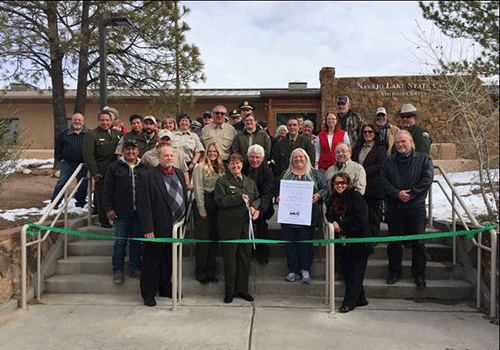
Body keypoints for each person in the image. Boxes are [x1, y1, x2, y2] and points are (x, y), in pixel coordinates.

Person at [380, 130, 433, 289]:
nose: (401, 145)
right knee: (394, 243)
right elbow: (383, 180)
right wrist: (397, 193)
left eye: (403, 141)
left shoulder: (424, 159)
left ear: (411, 142)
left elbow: (427, 179)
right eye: (397, 143)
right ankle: (394, 272)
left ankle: (419, 274)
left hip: (415, 207)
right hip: (395, 207)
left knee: (418, 243)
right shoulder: (389, 161)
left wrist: (411, 194)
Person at [137, 145, 188, 307]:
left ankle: (165, 288)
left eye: (171, 155)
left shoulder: (179, 173)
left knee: (168, 261)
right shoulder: (148, 176)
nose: (169, 158)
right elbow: (143, 204)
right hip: (156, 227)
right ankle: (149, 294)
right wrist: (148, 229)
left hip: (174, 227)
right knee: (152, 262)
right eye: (166, 155)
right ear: (159, 158)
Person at [214, 153, 260, 304]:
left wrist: (254, 207)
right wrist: (238, 198)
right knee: (230, 258)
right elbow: (220, 201)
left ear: (242, 165)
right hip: (229, 224)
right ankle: (230, 291)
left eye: (238, 163)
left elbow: (257, 197)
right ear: (228, 166)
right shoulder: (222, 182)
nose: (235, 166)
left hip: (245, 225)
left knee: (245, 257)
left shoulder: (249, 181)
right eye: (232, 164)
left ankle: (243, 289)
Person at [102, 139, 149, 284]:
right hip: (121, 213)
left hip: (139, 213)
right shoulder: (114, 167)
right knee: (120, 243)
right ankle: (118, 271)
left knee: (136, 243)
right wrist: (109, 208)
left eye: (133, 149)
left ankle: (135, 269)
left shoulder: (145, 168)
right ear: (123, 151)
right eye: (128, 149)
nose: (131, 152)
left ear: (138, 151)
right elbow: (107, 190)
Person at [280, 148, 329, 284]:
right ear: (291, 160)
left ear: (306, 158)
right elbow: (279, 190)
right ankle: (293, 270)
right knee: (290, 245)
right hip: (289, 218)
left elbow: (325, 188)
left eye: (301, 157)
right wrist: (279, 198)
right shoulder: (286, 174)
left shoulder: (314, 173)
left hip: (307, 217)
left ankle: (305, 270)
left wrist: (318, 195)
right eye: (295, 157)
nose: (298, 159)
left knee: (305, 244)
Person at [325, 172, 371, 313]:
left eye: (342, 183)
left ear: (348, 183)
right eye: (337, 183)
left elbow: (360, 218)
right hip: (343, 242)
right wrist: (334, 221)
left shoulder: (356, 197)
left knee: (355, 273)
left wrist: (341, 224)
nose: (339, 186)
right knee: (347, 271)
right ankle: (360, 298)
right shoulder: (333, 198)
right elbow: (329, 214)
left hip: (359, 241)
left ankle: (349, 302)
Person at [192, 142, 225, 284]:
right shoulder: (200, 167)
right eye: (210, 151)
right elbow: (198, 188)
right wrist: (201, 209)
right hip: (203, 202)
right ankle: (200, 272)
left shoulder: (221, 169)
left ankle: (211, 270)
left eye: (215, 151)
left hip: (216, 205)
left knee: (214, 240)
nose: (212, 154)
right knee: (203, 241)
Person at [83, 110, 121, 228]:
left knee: (116, 194)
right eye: (102, 120)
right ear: (98, 121)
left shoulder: (116, 134)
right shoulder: (92, 135)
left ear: (111, 121)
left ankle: (116, 218)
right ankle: (103, 220)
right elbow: (88, 155)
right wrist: (94, 171)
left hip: (115, 170)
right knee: (102, 195)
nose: (105, 122)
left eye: (107, 120)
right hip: (101, 171)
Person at [352, 124, 388, 238]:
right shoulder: (358, 147)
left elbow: (381, 165)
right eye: (365, 132)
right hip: (359, 185)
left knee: (373, 215)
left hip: (374, 186)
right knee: (361, 214)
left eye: (370, 132)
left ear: (375, 133)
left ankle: (373, 238)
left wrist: (363, 171)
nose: (367, 134)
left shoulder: (380, 148)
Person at [243, 144, 275, 265]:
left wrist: (258, 210)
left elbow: (268, 193)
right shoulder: (243, 167)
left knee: (261, 225)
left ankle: (262, 253)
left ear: (262, 158)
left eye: (257, 157)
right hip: (245, 202)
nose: (254, 160)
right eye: (252, 157)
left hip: (262, 204)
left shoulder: (267, 171)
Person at [51, 112, 88, 208]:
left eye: (79, 120)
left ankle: (80, 203)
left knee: (83, 183)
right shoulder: (64, 134)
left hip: (83, 164)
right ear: (72, 121)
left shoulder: (89, 134)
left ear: (83, 122)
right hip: (67, 163)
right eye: (75, 119)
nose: (77, 121)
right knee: (62, 182)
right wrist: (60, 158)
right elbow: (58, 147)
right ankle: (55, 203)